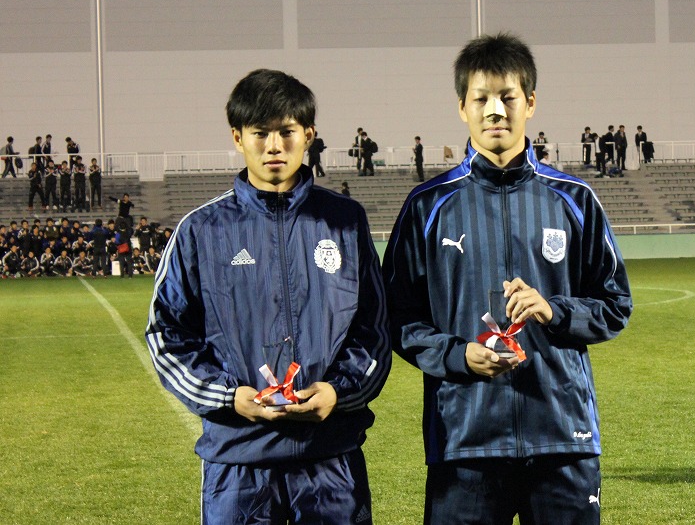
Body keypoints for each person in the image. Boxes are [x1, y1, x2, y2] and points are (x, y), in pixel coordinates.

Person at [382, 33, 632, 525]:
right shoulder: (427, 206)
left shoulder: (575, 199)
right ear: (462, 107)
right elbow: (396, 317)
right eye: (481, 99)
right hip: (465, 443)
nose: (495, 111)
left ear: (530, 103)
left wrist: (555, 310)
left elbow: (615, 304)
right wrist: (457, 356)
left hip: (562, 438)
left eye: (507, 97)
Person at [145, 68, 391, 524]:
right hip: (238, 461)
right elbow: (166, 334)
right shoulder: (200, 230)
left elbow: (374, 329)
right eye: (260, 133)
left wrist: (337, 391)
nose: (274, 146)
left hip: (330, 458)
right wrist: (227, 397)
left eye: (287, 132)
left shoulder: (345, 221)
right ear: (237, 137)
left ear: (309, 135)